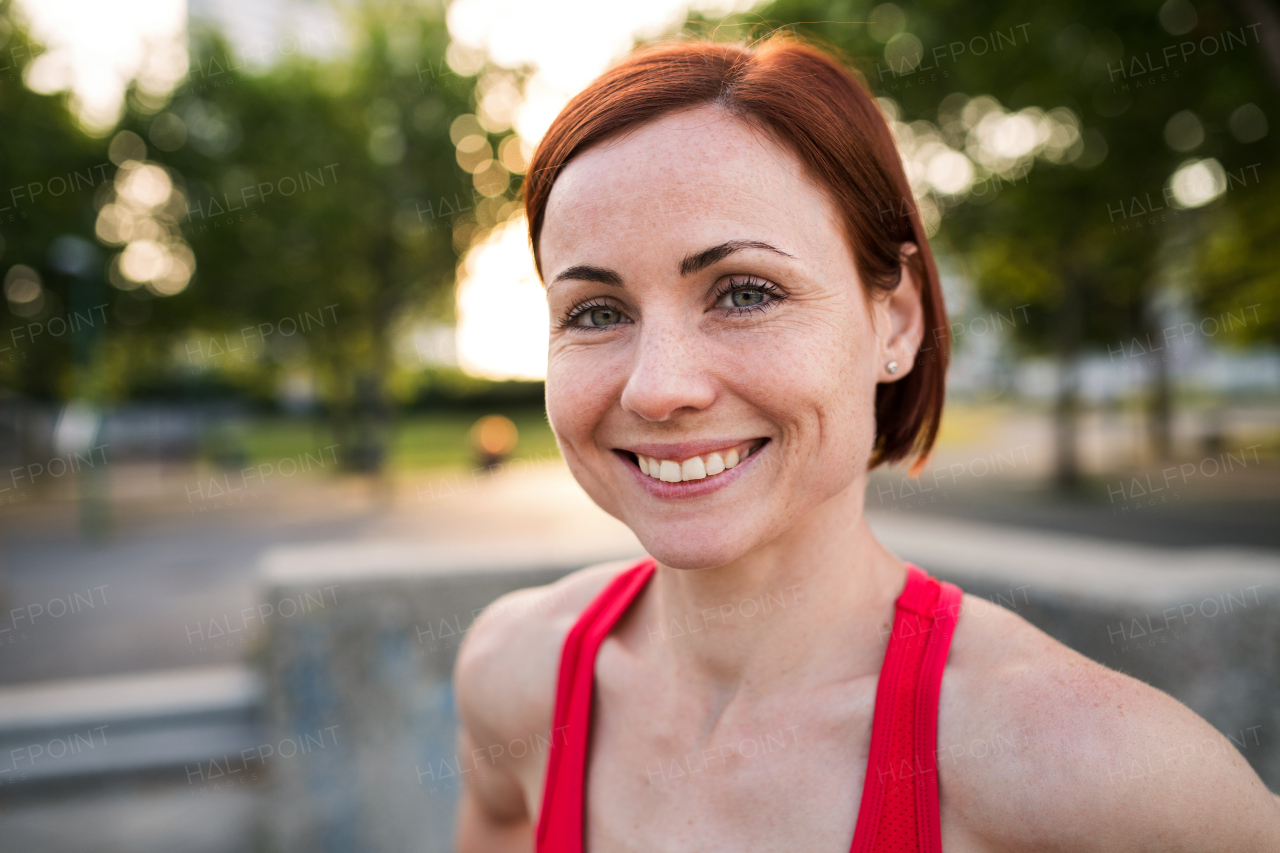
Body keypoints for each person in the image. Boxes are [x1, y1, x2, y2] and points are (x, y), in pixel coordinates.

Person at [452, 35, 1280, 852]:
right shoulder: (512, 676)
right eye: (597, 311)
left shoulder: (1095, 770)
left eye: (743, 292)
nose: (658, 387)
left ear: (898, 317)